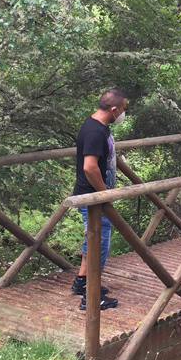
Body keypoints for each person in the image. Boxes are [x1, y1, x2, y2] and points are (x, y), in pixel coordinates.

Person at [70, 88, 129, 311]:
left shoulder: (98, 126)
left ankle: (82, 282)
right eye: (123, 109)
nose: (123, 114)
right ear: (114, 109)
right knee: (99, 244)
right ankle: (91, 298)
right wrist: (105, 194)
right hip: (93, 197)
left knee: (92, 240)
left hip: (94, 195)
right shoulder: (95, 131)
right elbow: (89, 166)